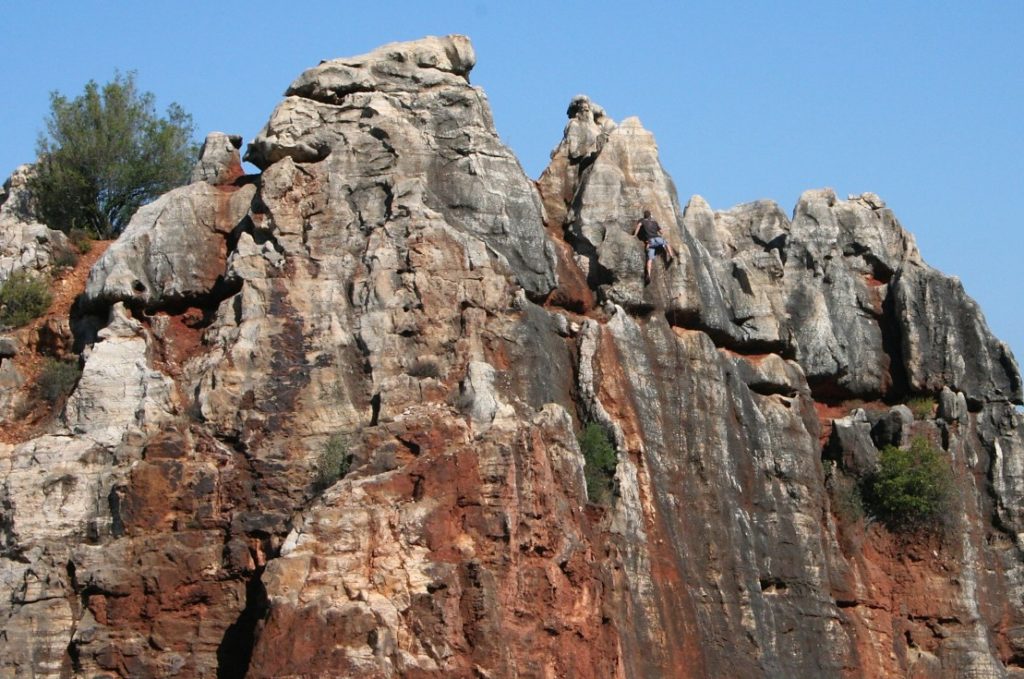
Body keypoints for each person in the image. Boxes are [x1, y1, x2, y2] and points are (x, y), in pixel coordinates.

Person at [632, 209, 675, 283]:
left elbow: (639, 226)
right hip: (657, 239)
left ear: (644, 216)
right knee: (666, 243)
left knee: (649, 259)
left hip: (650, 242)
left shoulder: (643, 221)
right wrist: (662, 231)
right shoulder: (654, 222)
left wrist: (635, 235)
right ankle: (671, 255)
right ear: (650, 216)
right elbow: (661, 232)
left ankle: (648, 274)